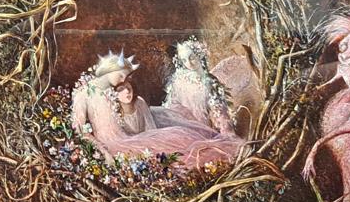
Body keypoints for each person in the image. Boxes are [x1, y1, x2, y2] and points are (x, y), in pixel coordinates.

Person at [69, 52, 242, 169]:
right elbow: (80, 131)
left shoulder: (113, 90)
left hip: (128, 138)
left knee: (178, 135)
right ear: (110, 69)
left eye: (125, 77)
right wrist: (104, 152)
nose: (123, 80)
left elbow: (129, 116)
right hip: (113, 145)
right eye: (121, 75)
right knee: (171, 154)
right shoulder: (84, 94)